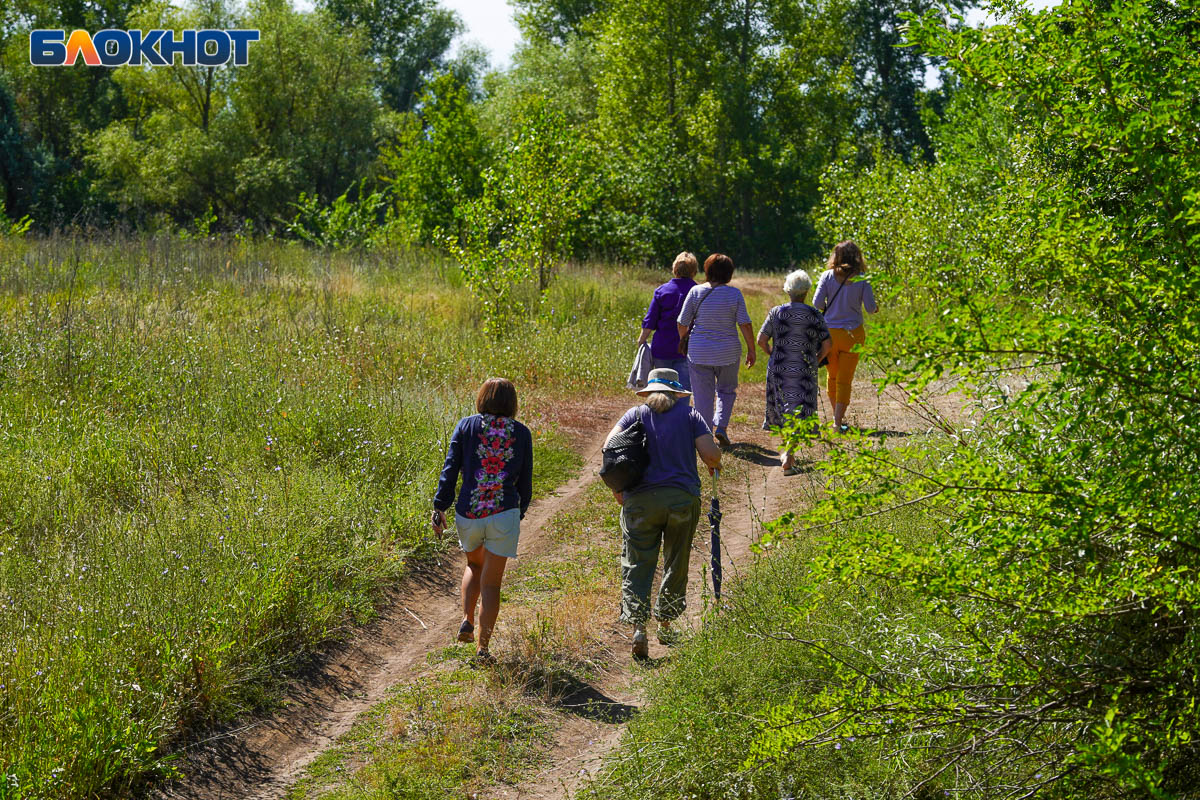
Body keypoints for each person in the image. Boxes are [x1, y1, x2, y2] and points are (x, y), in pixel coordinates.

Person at [606, 368, 722, 660]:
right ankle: (666, 623)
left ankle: (638, 630)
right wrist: (712, 460)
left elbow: (609, 448)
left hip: (640, 502)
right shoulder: (690, 416)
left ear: (649, 392)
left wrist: (617, 488)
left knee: (636, 562)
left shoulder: (634, 415)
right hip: (681, 500)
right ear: (676, 393)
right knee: (676, 560)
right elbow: (711, 455)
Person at [432, 378, 533, 663]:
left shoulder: (466, 426)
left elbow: (450, 469)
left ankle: (466, 619)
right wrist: (519, 510)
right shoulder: (522, 433)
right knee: (492, 584)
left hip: (470, 512)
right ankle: (483, 649)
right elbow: (525, 480)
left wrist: (440, 506)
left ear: (482, 398)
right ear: (512, 403)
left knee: (474, 565)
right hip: (504, 512)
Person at [676, 253, 756, 446]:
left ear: (707, 270)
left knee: (703, 395)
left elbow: (682, 322)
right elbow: (744, 324)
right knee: (726, 390)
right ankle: (721, 426)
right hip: (728, 353)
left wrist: (685, 340)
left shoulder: (696, 292)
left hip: (699, 353)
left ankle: (704, 437)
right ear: (729, 273)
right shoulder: (734, 294)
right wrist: (751, 350)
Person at [757, 269, 832, 474]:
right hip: (804, 369)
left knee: (783, 408)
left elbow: (761, 340)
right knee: (799, 411)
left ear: (788, 290)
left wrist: (772, 354)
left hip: (779, 369)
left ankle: (787, 452)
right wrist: (815, 361)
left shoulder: (776, 312)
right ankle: (789, 453)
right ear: (807, 291)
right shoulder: (815, 315)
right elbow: (827, 346)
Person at [811, 241, 879, 432]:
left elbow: (817, 303)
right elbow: (870, 307)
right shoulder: (863, 279)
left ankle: (836, 418)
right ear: (857, 257)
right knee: (845, 379)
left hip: (829, 334)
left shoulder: (827, 276)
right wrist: (875, 309)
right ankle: (838, 422)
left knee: (832, 376)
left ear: (836, 257)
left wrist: (830, 309)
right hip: (853, 335)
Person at [636, 252, 699, 390]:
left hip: (662, 348)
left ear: (674, 269)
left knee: (662, 389)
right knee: (683, 390)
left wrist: (641, 341)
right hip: (688, 349)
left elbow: (650, 321)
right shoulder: (698, 292)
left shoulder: (662, 291)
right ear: (694, 271)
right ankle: (680, 412)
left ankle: (663, 411)